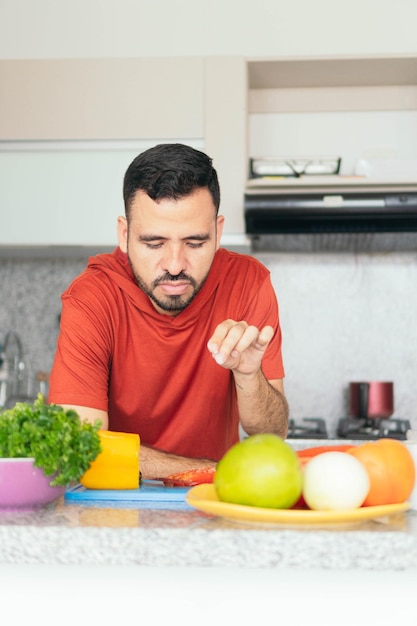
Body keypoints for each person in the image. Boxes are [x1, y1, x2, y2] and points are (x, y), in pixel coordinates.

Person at [48, 143, 289, 479]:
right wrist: (207, 471)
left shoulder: (248, 282)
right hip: (119, 502)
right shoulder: (92, 297)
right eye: (154, 243)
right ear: (124, 234)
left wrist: (250, 375)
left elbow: (272, 434)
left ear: (218, 233)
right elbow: (79, 446)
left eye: (194, 243)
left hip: (215, 501)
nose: (175, 266)